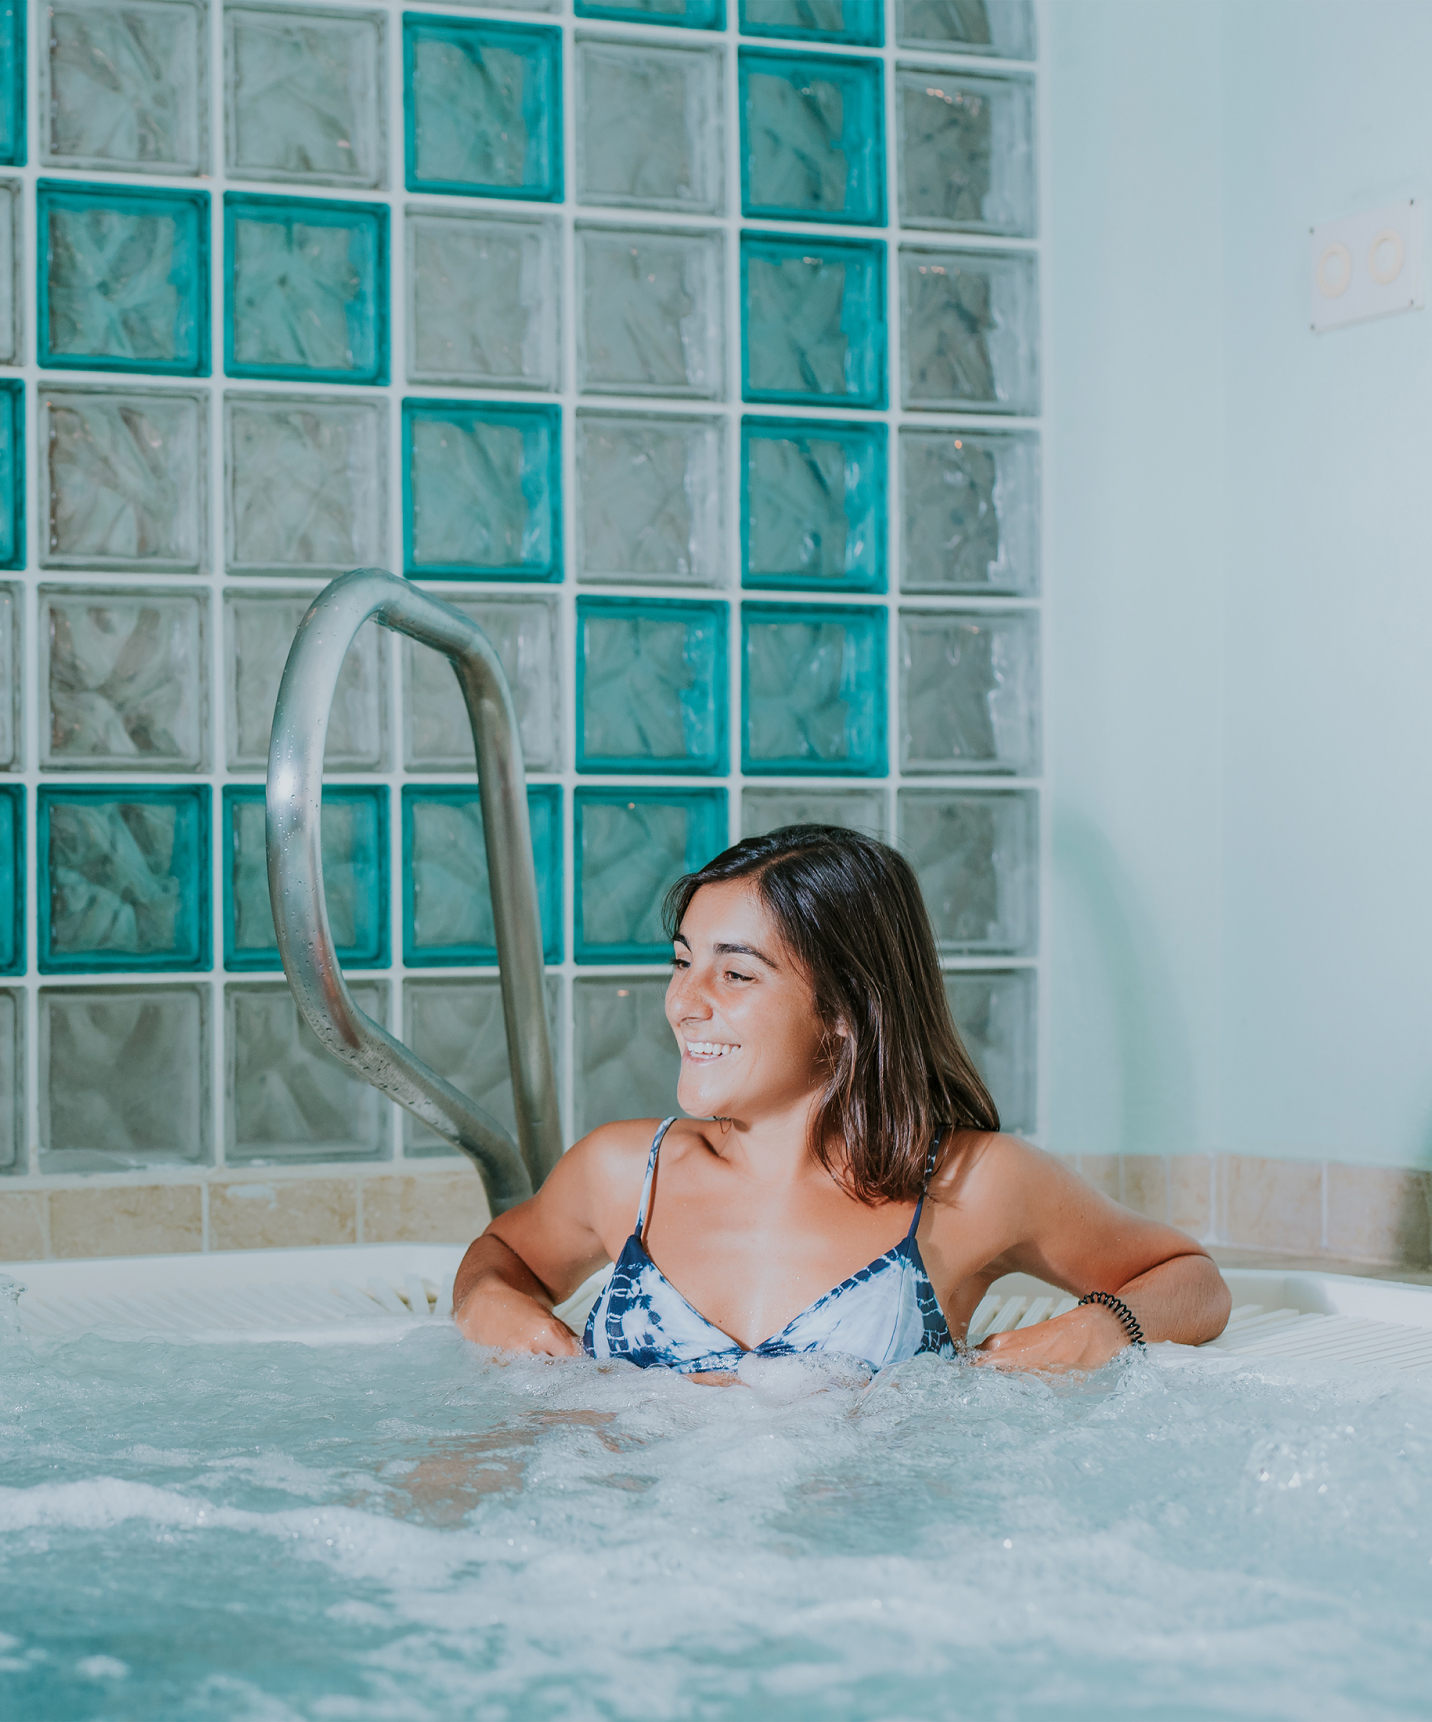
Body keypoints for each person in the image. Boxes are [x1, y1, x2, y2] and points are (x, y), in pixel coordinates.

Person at [453, 826, 1230, 1377]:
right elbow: (504, 1258)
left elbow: (1190, 1280)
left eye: (736, 974)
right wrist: (488, 1300)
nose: (683, 1002)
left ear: (844, 1013)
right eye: (683, 962)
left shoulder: (970, 1186)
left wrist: (1100, 1331)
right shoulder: (626, 1172)